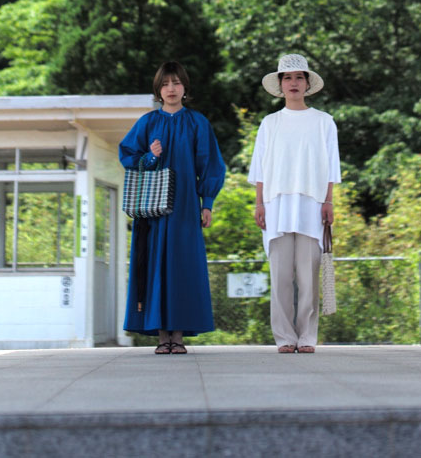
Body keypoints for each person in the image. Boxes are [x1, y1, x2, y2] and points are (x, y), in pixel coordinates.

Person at [119, 60, 226, 353]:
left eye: (176, 83)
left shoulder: (197, 123)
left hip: (185, 208)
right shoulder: (147, 123)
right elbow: (128, 155)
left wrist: (208, 204)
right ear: (158, 89)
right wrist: (150, 158)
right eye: (165, 83)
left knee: (181, 266)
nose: (171, 88)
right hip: (152, 211)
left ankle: (177, 337)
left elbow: (211, 164)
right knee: (154, 266)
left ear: (185, 88)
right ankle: (161, 336)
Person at [248, 51, 340, 353]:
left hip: (311, 205)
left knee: (308, 276)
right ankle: (285, 337)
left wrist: (329, 201)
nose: (293, 82)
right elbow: (260, 167)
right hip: (276, 205)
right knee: (281, 276)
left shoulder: (324, 122)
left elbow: (331, 165)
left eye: (299, 77)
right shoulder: (269, 123)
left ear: (308, 83)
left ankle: (307, 337)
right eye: (287, 77)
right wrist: (259, 203)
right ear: (280, 84)